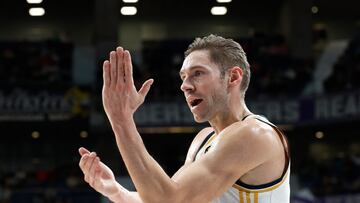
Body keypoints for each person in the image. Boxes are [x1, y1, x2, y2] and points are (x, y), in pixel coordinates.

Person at [78, 34, 290, 203]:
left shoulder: (254, 135)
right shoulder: (204, 139)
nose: (185, 85)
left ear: (233, 77)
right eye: (183, 76)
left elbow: (168, 201)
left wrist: (121, 120)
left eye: (197, 73)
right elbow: (163, 196)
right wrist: (116, 191)